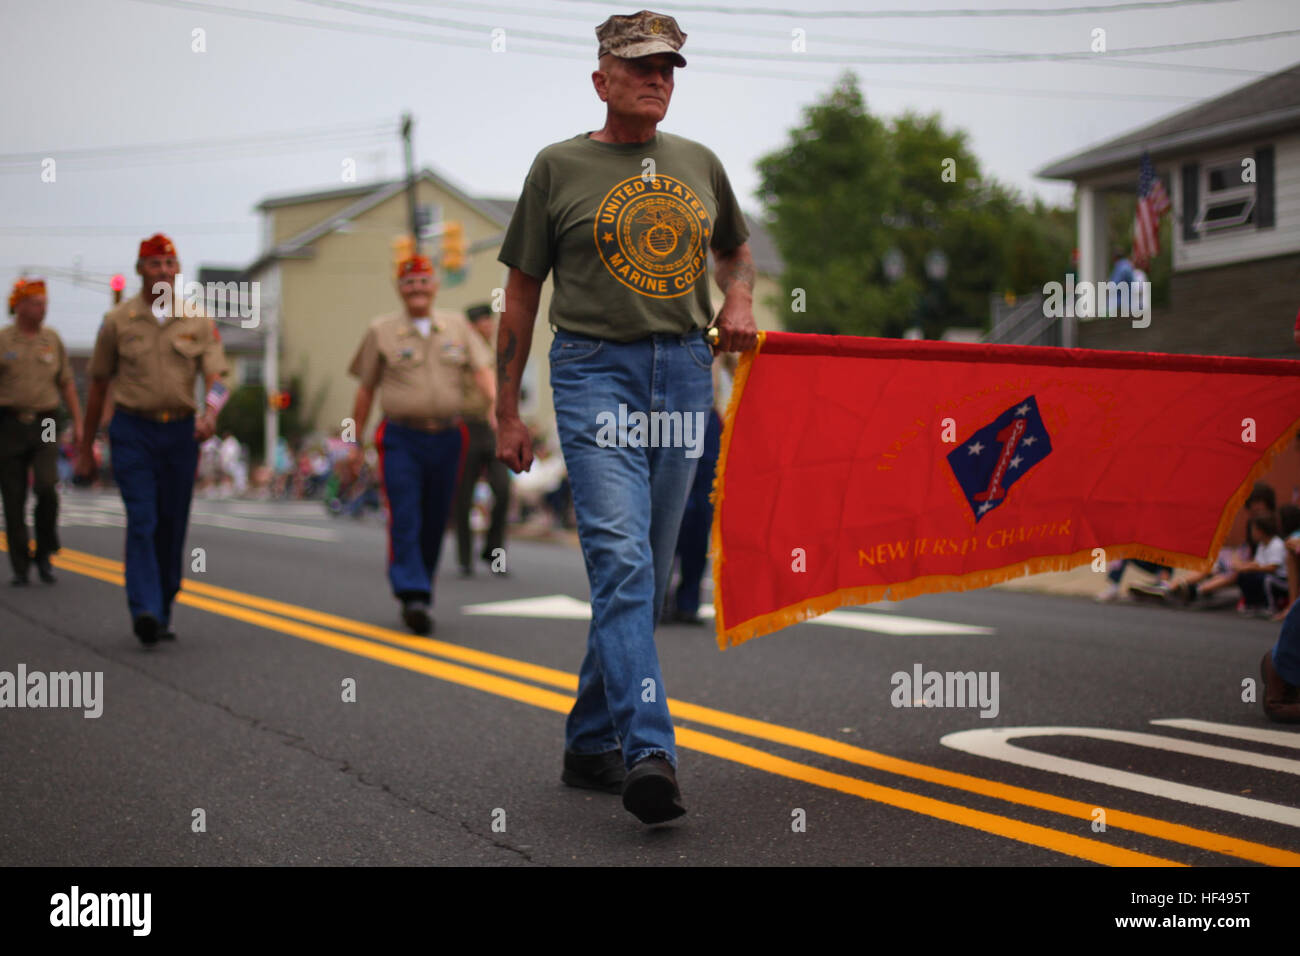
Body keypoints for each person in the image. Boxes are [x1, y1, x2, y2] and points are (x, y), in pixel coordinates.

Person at [495, 9, 756, 825]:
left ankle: (589, 742)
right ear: (601, 77)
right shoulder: (557, 168)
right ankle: (650, 750)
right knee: (622, 561)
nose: (659, 79)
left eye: (671, 67)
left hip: (683, 373)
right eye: (642, 65)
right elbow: (522, 294)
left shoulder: (701, 164)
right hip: (593, 371)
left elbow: (736, 253)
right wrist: (505, 408)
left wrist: (739, 296)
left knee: (640, 565)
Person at [75, 234, 230, 645]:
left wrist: (210, 413)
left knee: (171, 523)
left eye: (169, 264)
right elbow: (97, 385)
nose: (162, 271)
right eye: (154, 264)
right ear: (140, 269)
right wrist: (86, 448)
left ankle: (163, 603)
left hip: (180, 433)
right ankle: (144, 607)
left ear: (178, 270)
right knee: (142, 518)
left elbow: (218, 379)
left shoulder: (197, 320)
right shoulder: (118, 322)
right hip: (133, 431)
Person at [347, 253, 494, 635]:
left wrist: (497, 410)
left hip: (448, 436)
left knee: (436, 518)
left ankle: (421, 586)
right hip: (401, 436)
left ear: (435, 286)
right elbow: (364, 391)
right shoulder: (381, 330)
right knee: (406, 512)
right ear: (399, 288)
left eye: (424, 282)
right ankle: (412, 591)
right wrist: (353, 441)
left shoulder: (458, 327)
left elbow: (482, 372)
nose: (417, 289)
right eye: (409, 282)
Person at [0, 278, 82, 585]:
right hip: (9, 423)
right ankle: (21, 565)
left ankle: (45, 551)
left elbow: (67, 383)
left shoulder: (52, 339)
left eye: (45, 302)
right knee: (13, 496)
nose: (43, 308)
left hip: (47, 422)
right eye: (36, 302)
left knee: (47, 485)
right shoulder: (4, 340)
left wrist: (80, 422)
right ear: (19, 305)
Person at [453, 303, 511, 577]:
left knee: (504, 489)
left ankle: (493, 549)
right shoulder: (459, 353)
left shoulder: (498, 352)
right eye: (481, 322)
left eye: (489, 320)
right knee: (463, 496)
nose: (487, 326)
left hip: (493, 429)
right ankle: (464, 558)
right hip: (465, 426)